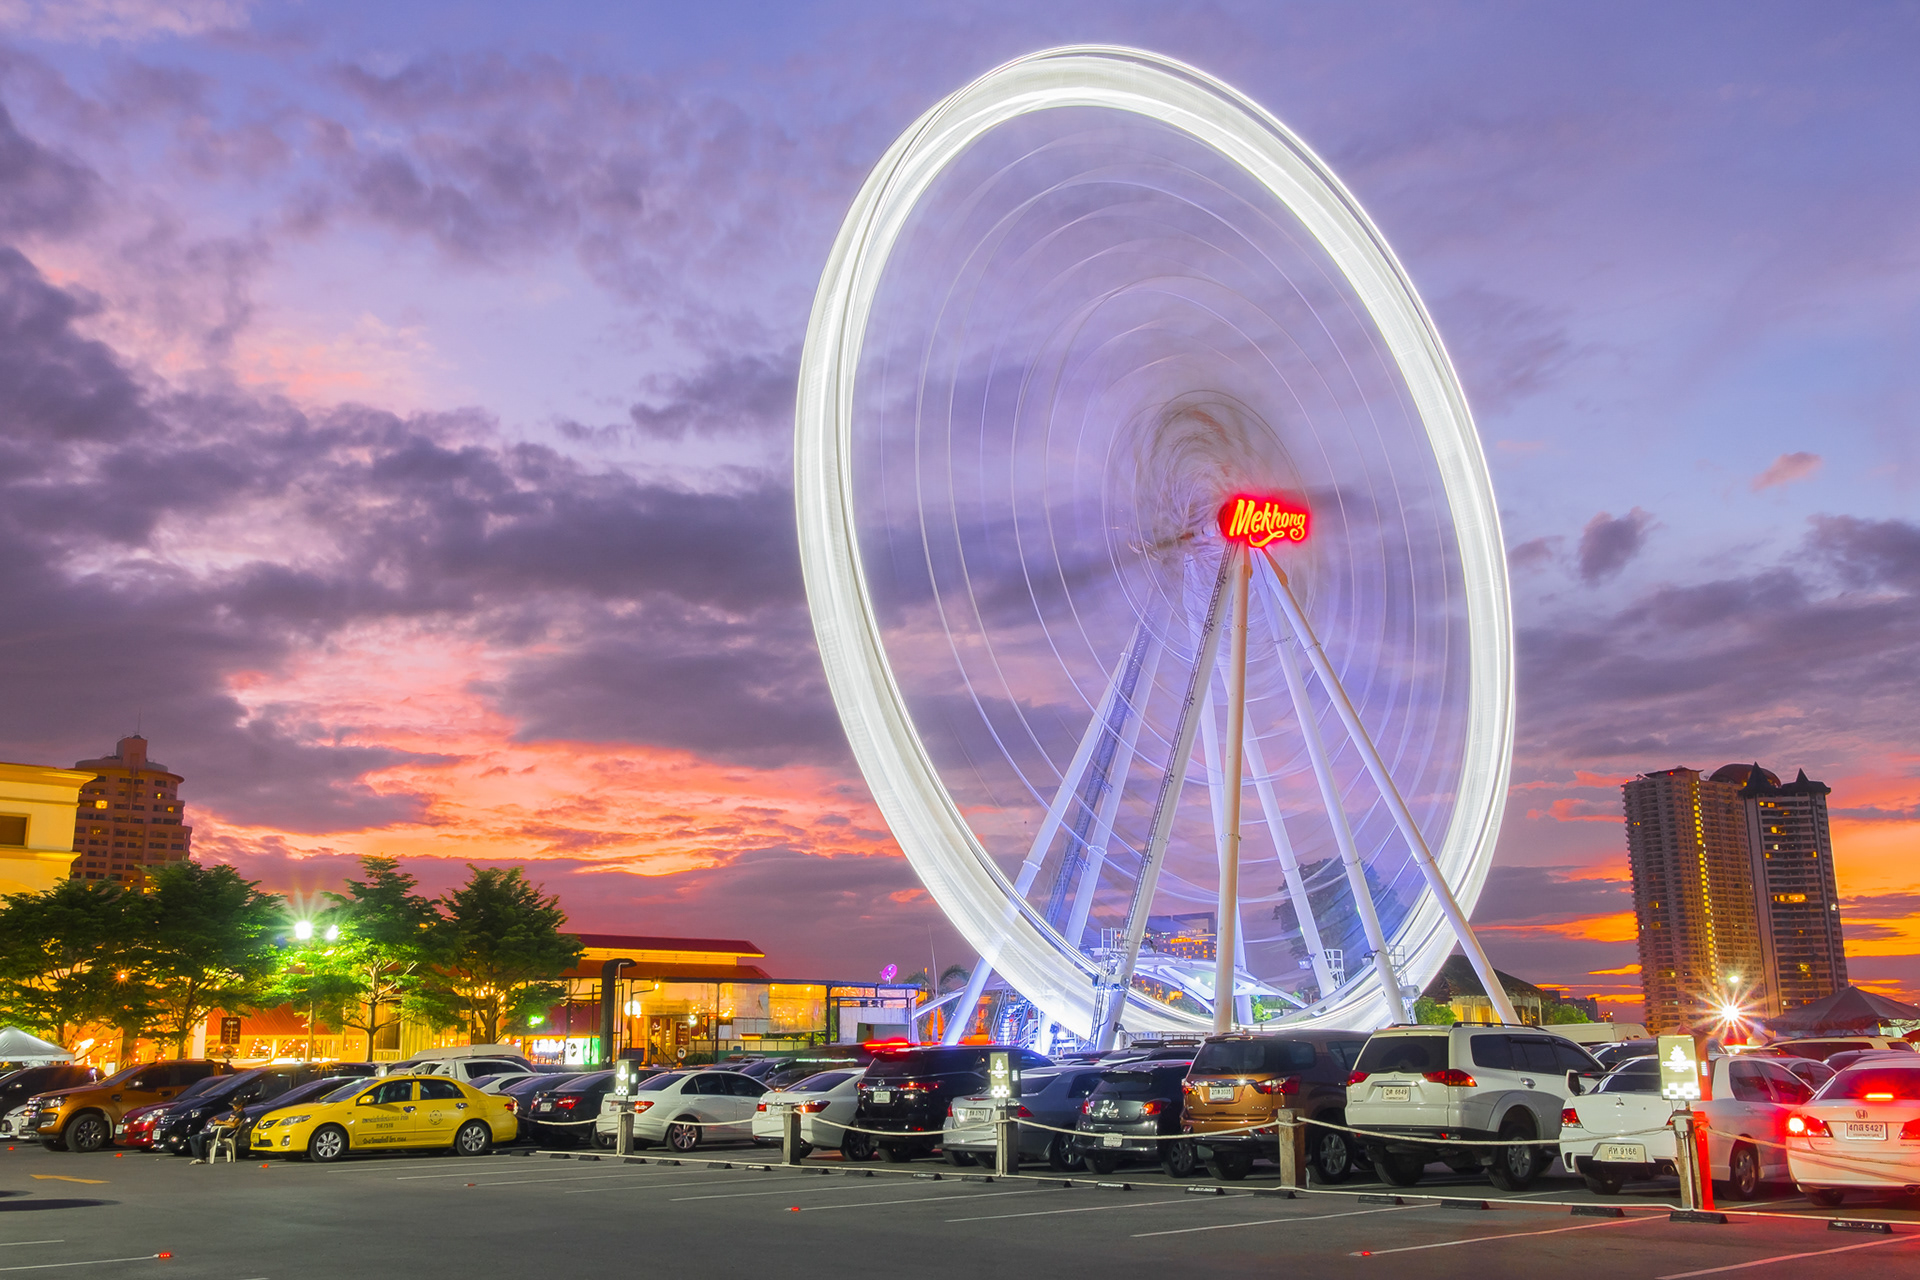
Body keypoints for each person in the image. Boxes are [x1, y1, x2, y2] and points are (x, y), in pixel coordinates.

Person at [188, 1096, 246, 1164]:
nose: (234, 1106)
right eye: (233, 1105)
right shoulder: (234, 1113)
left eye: (236, 1105)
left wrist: (220, 1122)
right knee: (193, 1138)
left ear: (241, 1104)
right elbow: (228, 1121)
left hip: (226, 1133)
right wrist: (218, 1122)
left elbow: (233, 1124)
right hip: (220, 1130)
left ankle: (202, 1158)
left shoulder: (241, 1114)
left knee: (201, 1137)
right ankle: (197, 1157)